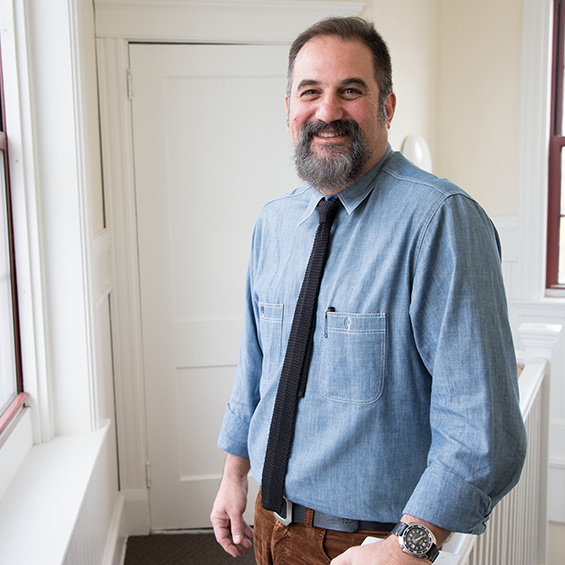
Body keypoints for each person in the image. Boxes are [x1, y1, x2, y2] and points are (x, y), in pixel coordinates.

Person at [211, 16, 527, 565]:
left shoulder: (441, 223)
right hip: (269, 522)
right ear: (289, 107)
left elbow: (483, 430)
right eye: (311, 92)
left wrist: (407, 550)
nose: (327, 111)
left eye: (350, 91)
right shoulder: (275, 224)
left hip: (370, 547)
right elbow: (256, 368)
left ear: (388, 106)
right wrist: (234, 473)